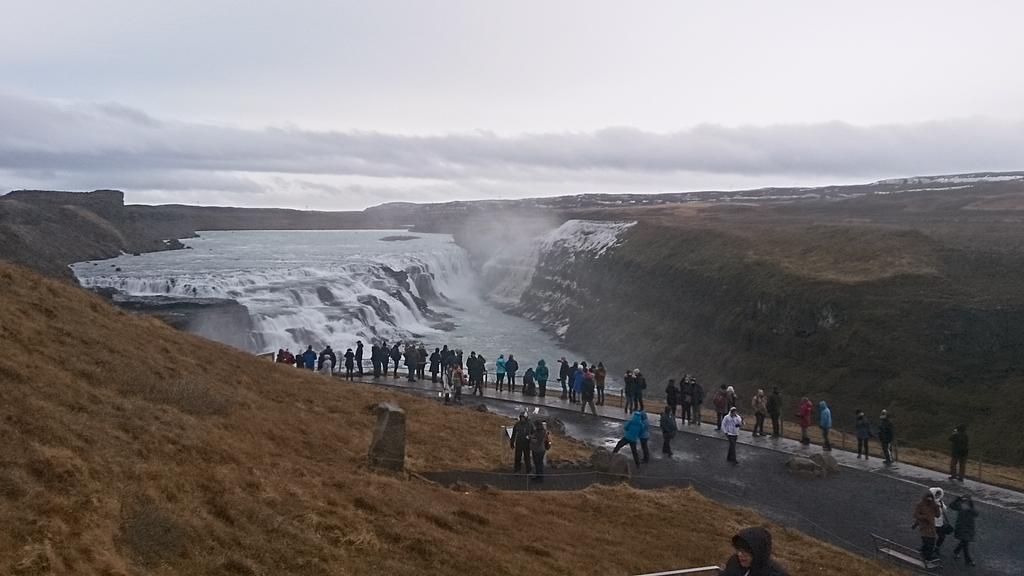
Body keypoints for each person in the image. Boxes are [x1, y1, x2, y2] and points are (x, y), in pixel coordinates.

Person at [720, 526, 790, 576]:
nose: (740, 554)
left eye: (745, 551)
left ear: (758, 552)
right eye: (738, 549)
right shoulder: (734, 562)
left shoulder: (775, 573)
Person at [950, 494, 978, 566]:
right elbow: (951, 506)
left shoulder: (970, 509)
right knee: (965, 543)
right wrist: (957, 499)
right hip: (962, 527)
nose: (965, 502)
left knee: (964, 542)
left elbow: (976, 513)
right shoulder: (960, 506)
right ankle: (968, 560)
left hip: (968, 528)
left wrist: (971, 505)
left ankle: (956, 551)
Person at [914, 491, 941, 561]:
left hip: (931, 526)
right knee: (927, 541)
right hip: (924, 526)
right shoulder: (920, 505)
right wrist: (924, 517)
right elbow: (915, 514)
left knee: (932, 541)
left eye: (931, 498)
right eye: (928, 498)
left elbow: (938, 515)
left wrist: (937, 507)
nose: (929, 500)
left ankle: (927, 555)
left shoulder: (934, 506)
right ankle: (927, 556)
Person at [929, 487, 952, 552]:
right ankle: (929, 548)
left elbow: (944, 511)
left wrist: (947, 520)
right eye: (936, 494)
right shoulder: (930, 502)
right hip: (932, 523)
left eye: (938, 494)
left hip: (940, 523)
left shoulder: (941, 502)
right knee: (931, 537)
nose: (937, 496)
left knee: (942, 536)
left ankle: (936, 547)